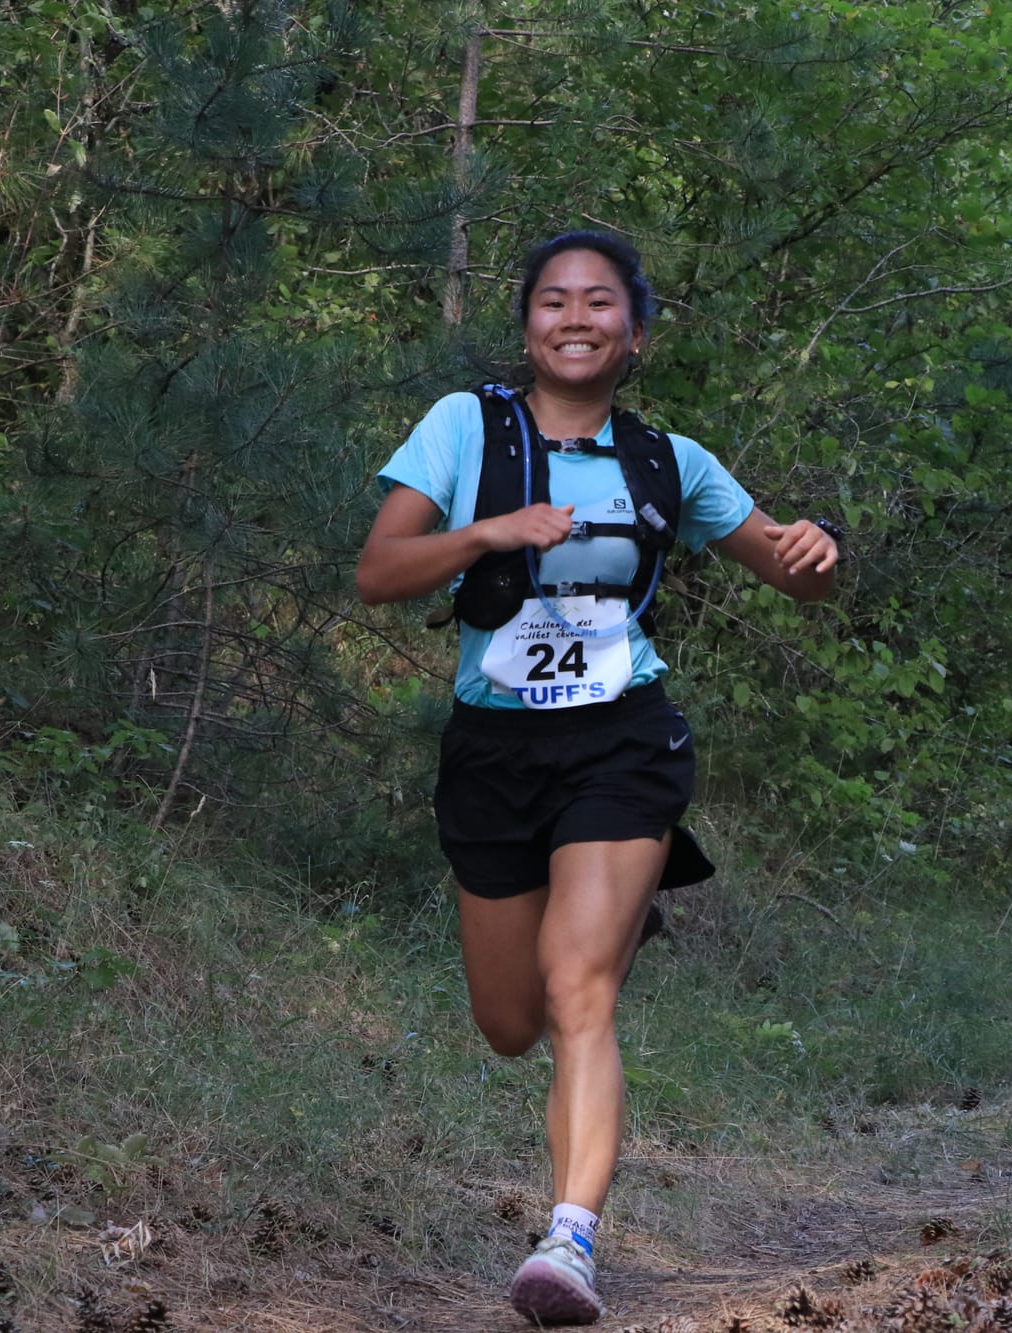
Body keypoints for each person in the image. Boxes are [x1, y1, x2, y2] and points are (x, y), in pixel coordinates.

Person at [354, 231, 838, 1325]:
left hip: (623, 741)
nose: (575, 318)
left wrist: (814, 553)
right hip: (493, 754)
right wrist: (490, 531)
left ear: (636, 330)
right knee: (509, 1019)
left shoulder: (671, 461)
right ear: (525, 323)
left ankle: (566, 1243)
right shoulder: (463, 427)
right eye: (554, 301)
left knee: (578, 987)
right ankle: (612, 911)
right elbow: (377, 572)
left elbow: (787, 569)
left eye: (600, 303)